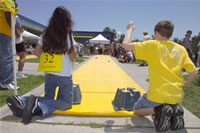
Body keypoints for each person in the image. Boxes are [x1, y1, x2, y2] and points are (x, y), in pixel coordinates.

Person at [122, 20, 198, 132]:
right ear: (171, 34)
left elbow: (125, 45)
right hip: (176, 95)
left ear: (156, 33)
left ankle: (158, 110)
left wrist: (129, 29)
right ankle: (173, 111)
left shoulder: (153, 45)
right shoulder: (180, 49)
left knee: (136, 110)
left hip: (158, 95)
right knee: (166, 103)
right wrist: (184, 85)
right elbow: (194, 71)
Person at [6, 6, 77, 124]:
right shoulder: (67, 34)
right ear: (67, 20)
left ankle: (22, 100)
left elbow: (36, 52)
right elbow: (72, 56)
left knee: (48, 98)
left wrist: (48, 59)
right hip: (64, 74)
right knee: (66, 103)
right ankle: (37, 106)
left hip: (49, 72)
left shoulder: (46, 34)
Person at [0, 0, 20, 90]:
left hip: (2, 31)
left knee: (3, 57)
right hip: (5, 32)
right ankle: (5, 82)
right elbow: (8, 16)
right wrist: (16, 32)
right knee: (8, 57)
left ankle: (4, 80)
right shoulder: (8, 1)